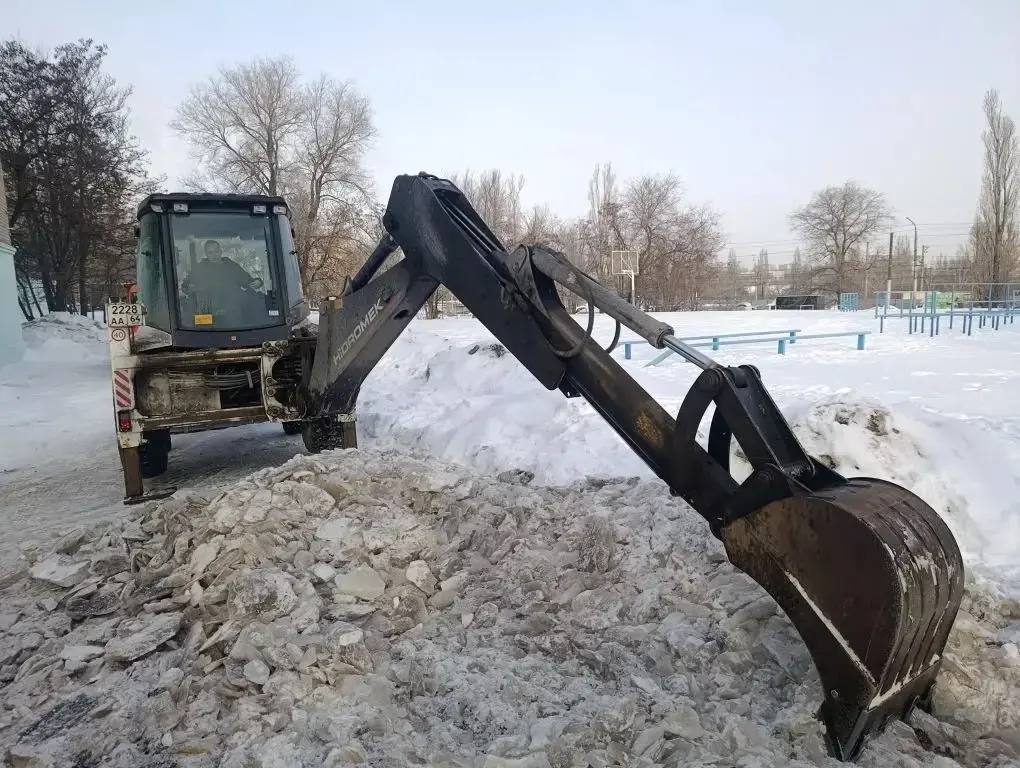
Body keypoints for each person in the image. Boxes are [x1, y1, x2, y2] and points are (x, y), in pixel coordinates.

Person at [185, 240, 258, 295]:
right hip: (207, 307)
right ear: (206, 254)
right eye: (210, 253)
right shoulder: (199, 269)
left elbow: (248, 281)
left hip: (232, 305)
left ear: (220, 251)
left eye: (216, 251)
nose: (214, 255)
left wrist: (258, 282)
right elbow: (187, 286)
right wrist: (188, 287)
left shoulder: (231, 266)